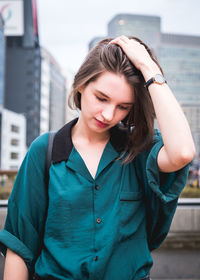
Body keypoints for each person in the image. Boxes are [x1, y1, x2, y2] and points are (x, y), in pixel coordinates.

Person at [0, 35, 196, 280]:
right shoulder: (45, 151)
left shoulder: (139, 149)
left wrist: (148, 67)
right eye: (101, 98)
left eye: (123, 106)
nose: (108, 114)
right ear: (81, 85)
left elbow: (182, 153)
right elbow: (20, 244)